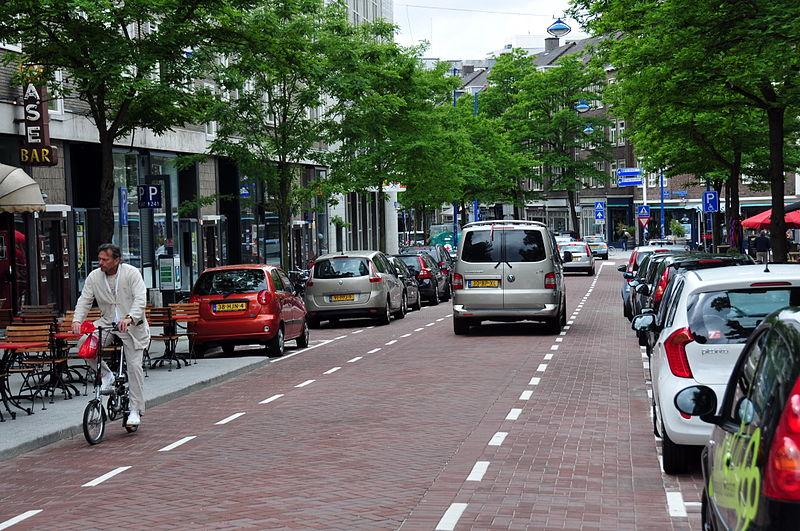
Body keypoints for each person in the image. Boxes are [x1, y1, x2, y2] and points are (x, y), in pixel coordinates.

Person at [72, 244, 150, 426]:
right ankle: (107, 376)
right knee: (84, 345)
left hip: (131, 327)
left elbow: (140, 299)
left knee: (134, 367)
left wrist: (130, 317)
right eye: (99, 259)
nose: (101, 263)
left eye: (105, 259)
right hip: (107, 323)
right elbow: (84, 299)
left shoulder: (131, 273)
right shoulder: (94, 277)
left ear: (117, 260)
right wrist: (77, 320)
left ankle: (135, 409)